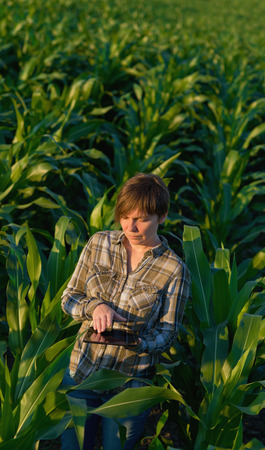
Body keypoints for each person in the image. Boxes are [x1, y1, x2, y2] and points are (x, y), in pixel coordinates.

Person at [60, 172, 190, 449]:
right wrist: (95, 306)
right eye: (125, 216)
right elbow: (69, 298)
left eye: (142, 218)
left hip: (129, 387)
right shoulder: (99, 243)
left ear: (162, 217)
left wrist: (140, 342)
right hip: (82, 372)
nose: (131, 226)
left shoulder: (174, 270)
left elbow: (168, 333)